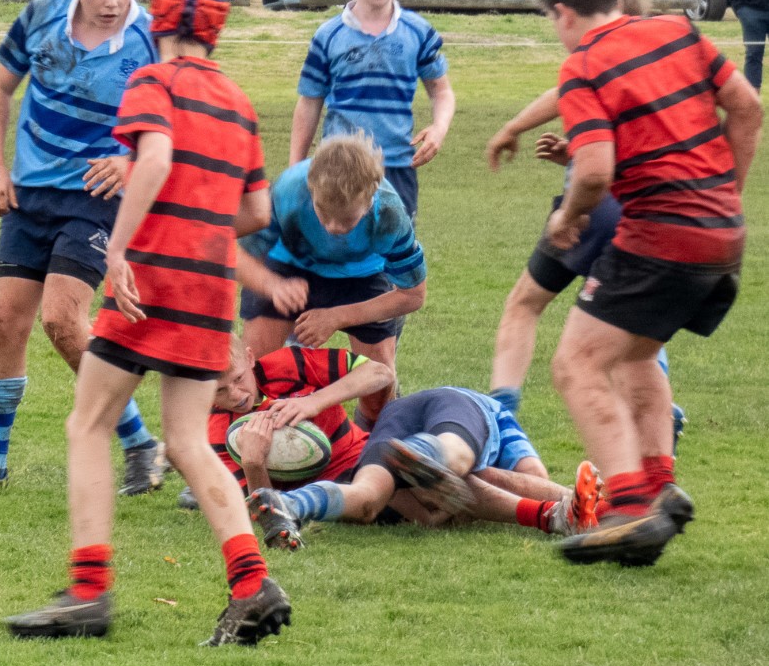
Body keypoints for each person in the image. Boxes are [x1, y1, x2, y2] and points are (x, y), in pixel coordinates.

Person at [4, 0, 291, 647]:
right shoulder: (238, 102)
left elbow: (155, 159)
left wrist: (119, 248)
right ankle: (252, 584)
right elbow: (257, 209)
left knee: (88, 424)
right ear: (217, 29)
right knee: (188, 442)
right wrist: (200, 222)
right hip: (209, 290)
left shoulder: (153, 82)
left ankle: (88, 590)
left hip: (151, 284)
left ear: (158, 20)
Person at [0, 0, 168, 497]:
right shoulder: (40, 17)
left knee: (62, 320)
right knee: (4, 323)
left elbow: (175, 120)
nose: (113, 3)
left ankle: (139, 442)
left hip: (96, 198)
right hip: (31, 193)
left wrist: (131, 161)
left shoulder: (152, 39)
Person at [540, 0, 759, 567]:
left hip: (660, 235)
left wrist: (566, 216)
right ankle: (660, 487)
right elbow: (748, 107)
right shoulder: (677, 31)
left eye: (553, 20)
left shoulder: (583, 66)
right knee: (635, 354)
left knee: (576, 363)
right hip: (723, 235)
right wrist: (725, 195)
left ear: (564, 13)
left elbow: (594, 171)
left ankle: (631, 506)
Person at [483, 0, 685, 446]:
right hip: (645, 214)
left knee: (525, 304)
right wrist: (570, 155)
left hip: (595, 211)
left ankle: (501, 417)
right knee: (636, 325)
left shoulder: (596, 59)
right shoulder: (654, 68)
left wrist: (513, 127)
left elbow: (568, 101)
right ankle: (659, 410)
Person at [245, 387, 601, 548]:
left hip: (398, 425)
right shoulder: (499, 419)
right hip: (441, 408)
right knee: (459, 464)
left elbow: (437, 514)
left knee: (369, 499)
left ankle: (292, 503)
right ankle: (589, 511)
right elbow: (532, 476)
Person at [237, 134, 426, 428]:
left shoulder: (389, 213)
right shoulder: (288, 190)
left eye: (347, 219)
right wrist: (271, 286)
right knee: (255, 376)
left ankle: (370, 448)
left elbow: (413, 295)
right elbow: (236, 255)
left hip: (362, 276)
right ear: (311, 188)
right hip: (288, 267)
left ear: (371, 197)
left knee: (379, 390)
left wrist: (336, 317)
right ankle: (252, 446)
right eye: (323, 213)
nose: (333, 228)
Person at [290, 0, 455, 218]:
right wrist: (295, 169)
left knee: (396, 244)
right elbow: (309, 102)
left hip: (396, 167)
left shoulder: (418, 32)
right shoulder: (328, 36)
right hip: (339, 168)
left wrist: (439, 129)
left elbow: (441, 91)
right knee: (339, 241)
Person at [175, 343, 393, 509]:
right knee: (391, 499)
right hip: (321, 494)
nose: (235, 394)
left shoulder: (288, 364)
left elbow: (380, 372)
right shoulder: (217, 434)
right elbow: (262, 510)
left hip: (364, 456)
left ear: (250, 358)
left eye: (239, 378)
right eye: (220, 390)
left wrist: (314, 402)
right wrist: (253, 463)